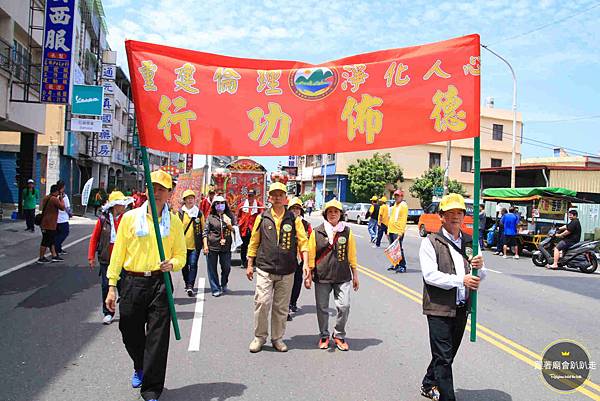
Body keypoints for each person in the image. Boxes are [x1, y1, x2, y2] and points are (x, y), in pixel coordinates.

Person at [105, 169, 186, 401]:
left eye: (162, 188)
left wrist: (173, 263)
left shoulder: (175, 223)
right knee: (128, 329)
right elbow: (118, 253)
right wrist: (112, 285)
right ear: (147, 190)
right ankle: (140, 365)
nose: (157, 192)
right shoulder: (131, 218)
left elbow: (181, 255)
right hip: (132, 281)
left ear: (170, 193)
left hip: (160, 284)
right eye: (154, 187)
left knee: (158, 339)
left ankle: (151, 388)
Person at [419, 193, 487, 401]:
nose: (455, 217)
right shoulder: (431, 242)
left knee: (447, 354)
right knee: (444, 357)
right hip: (438, 307)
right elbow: (430, 276)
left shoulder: (471, 242)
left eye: (459, 212)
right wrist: (461, 280)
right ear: (441, 216)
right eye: (450, 213)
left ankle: (428, 383)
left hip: (461, 307)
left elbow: (481, 275)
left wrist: (480, 268)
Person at [246, 182, 309, 353]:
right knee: (262, 302)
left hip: (287, 270)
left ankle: (277, 338)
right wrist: (250, 264)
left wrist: (306, 265)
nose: (278, 197)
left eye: (281, 194)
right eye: (274, 194)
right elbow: (254, 242)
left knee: (281, 307)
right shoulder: (262, 217)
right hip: (265, 268)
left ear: (285, 197)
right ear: (269, 197)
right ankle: (259, 337)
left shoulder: (294, 219)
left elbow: (303, 242)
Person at [305, 199, 359, 351]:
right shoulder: (317, 231)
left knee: (344, 305)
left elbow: (352, 254)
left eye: (336, 211)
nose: (333, 214)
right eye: (330, 211)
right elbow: (311, 253)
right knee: (322, 307)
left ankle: (339, 334)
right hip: (322, 275)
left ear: (340, 214)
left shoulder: (347, 231)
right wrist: (309, 274)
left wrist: (355, 274)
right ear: (325, 214)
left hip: (342, 275)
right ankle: (324, 335)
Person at [88, 191, 133, 324]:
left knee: (124, 287)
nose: (124, 206)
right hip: (106, 259)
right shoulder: (103, 220)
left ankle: (126, 313)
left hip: (124, 260)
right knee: (106, 287)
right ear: (114, 206)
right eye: (121, 204)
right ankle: (108, 312)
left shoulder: (127, 218)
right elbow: (94, 238)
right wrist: (91, 256)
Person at [203, 195, 235, 297]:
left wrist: (229, 224)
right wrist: (205, 246)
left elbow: (235, 230)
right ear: (214, 205)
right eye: (217, 203)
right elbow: (205, 232)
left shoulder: (230, 216)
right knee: (212, 268)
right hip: (212, 246)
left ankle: (224, 283)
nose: (220, 205)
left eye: (222, 203)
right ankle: (215, 288)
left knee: (227, 267)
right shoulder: (210, 217)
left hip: (226, 247)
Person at [286, 197, 312, 321]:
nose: (295, 211)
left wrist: (309, 262)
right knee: (286, 283)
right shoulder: (285, 222)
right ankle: (285, 308)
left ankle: (293, 302)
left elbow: (310, 242)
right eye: (293, 208)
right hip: (286, 257)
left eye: (298, 208)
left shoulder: (306, 225)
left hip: (300, 258)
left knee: (297, 282)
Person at [178, 189, 205, 296]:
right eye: (188, 198)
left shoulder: (198, 213)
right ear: (184, 200)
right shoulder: (180, 213)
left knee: (193, 264)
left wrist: (205, 244)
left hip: (195, 245)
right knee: (184, 265)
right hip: (182, 245)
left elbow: (203, 229)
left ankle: (190, 285)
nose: (190, 200)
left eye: (192, 198)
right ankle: (187, 282)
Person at [37, 184, 65, 264]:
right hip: (49, 224)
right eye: (58, 192)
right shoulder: (54, 199)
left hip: (46, 223)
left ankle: (54, 255)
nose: (59, 194)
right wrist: (61, 199)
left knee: (51, 241)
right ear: (56, 191)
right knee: (45, 241)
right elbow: (62, 207)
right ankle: (41, 258)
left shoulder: (46, 197)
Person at [237, 189, 263, 269]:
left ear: (255, 196)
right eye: (249, 195)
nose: (250, 197)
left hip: (254, 229)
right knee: (244, 246)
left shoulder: (259, 205)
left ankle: (253, 262)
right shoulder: (242, 205)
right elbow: (238, 216)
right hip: (244, 228)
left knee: (254, 245)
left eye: (252, 195)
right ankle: (243, 261)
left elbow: (262, 214)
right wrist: (240, 223)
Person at [387, 189, 408, 273]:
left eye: (397, 196)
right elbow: (392, 218)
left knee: (398, 249)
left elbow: (403, 220)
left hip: (397, 231)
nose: (396, 197)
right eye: (395, 195)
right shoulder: (395, 205)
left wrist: (400, 232)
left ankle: (402, 265)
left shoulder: (403, 206)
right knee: (393, 249)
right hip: (392, 230)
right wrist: (388, 230)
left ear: (402, 196)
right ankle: (395, 264)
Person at [55, 180, 71, 255]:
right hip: (62, 218)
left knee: (58, 234)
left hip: (56, 218)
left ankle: (58, 248)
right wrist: (70, 214)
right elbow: (66, 207)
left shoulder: (55, 195)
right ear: (63, 187)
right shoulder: (63, 196)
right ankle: (56, 247)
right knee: (64, 233)